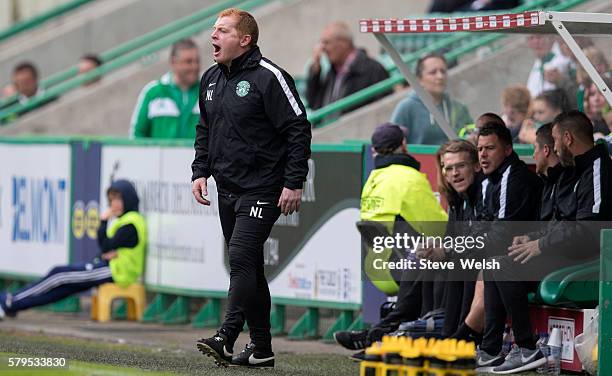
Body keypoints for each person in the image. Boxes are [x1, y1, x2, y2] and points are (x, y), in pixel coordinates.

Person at [190, 8, 311, 368]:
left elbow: (298, 128)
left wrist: (293, 182)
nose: (213, 36)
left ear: (244, 40)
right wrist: (200, 171)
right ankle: (261, 349)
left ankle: (226, 336)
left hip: (263, 187)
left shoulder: (269, 76)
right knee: (251, 268)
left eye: (223, 30)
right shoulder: (210, 78)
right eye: (213, 29)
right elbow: (205, 129)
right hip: (227, 187)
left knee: (240, 257)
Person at [481, 111, 612, 374]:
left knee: (505, 266)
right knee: (496, 264)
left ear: (567, 138)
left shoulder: (598, 167)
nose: (551, 147)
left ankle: (527, 349)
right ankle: (490, 350)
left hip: (588, 256)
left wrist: (541, 245)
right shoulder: (574, 170)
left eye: (555, 140)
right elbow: (562, 222)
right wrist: (534, 238)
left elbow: (589, 229)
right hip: (565, 249)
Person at [333, 123, 448, 360]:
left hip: (377, 267)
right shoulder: (410, 178)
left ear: (375, 151)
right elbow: (438, 226)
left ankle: (377, 336)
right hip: (401, 266)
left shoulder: (373, 178)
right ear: (404, 145)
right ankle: (383, 336)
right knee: (434, 255)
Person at [0, 180, 146, 319]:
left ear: (128, 199)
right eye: (112, 200)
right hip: (111, 267)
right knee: (62, 289)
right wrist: (109, 251)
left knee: (59, 275)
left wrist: (103, 221)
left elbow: (106, 245)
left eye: (118, 199)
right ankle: (15, 305)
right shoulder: (126, 220)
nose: (114, 204)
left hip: (117, 271)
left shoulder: (131, 222)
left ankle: (10, 301)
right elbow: (108, 248)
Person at [305, 21, 389, 121]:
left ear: (343, 43)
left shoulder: (373, 69)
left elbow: (384, 107)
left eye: (327, 43)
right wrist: (316, 69)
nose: (323, 49)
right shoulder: (331, 72)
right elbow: (313, 103)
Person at [391, 53, 472, 145]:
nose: (440, 77)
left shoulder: (459, 107)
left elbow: (471, 133)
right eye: (433, 72)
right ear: (419, 79)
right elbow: (393, 144)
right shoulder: (406, 108)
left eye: (443, 71)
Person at [130, 38, 201, 139]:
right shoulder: (153, 92)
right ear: (173, 62)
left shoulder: (208, 91)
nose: (195, 66)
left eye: (197, 61)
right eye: (188, 62)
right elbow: (136, 134)